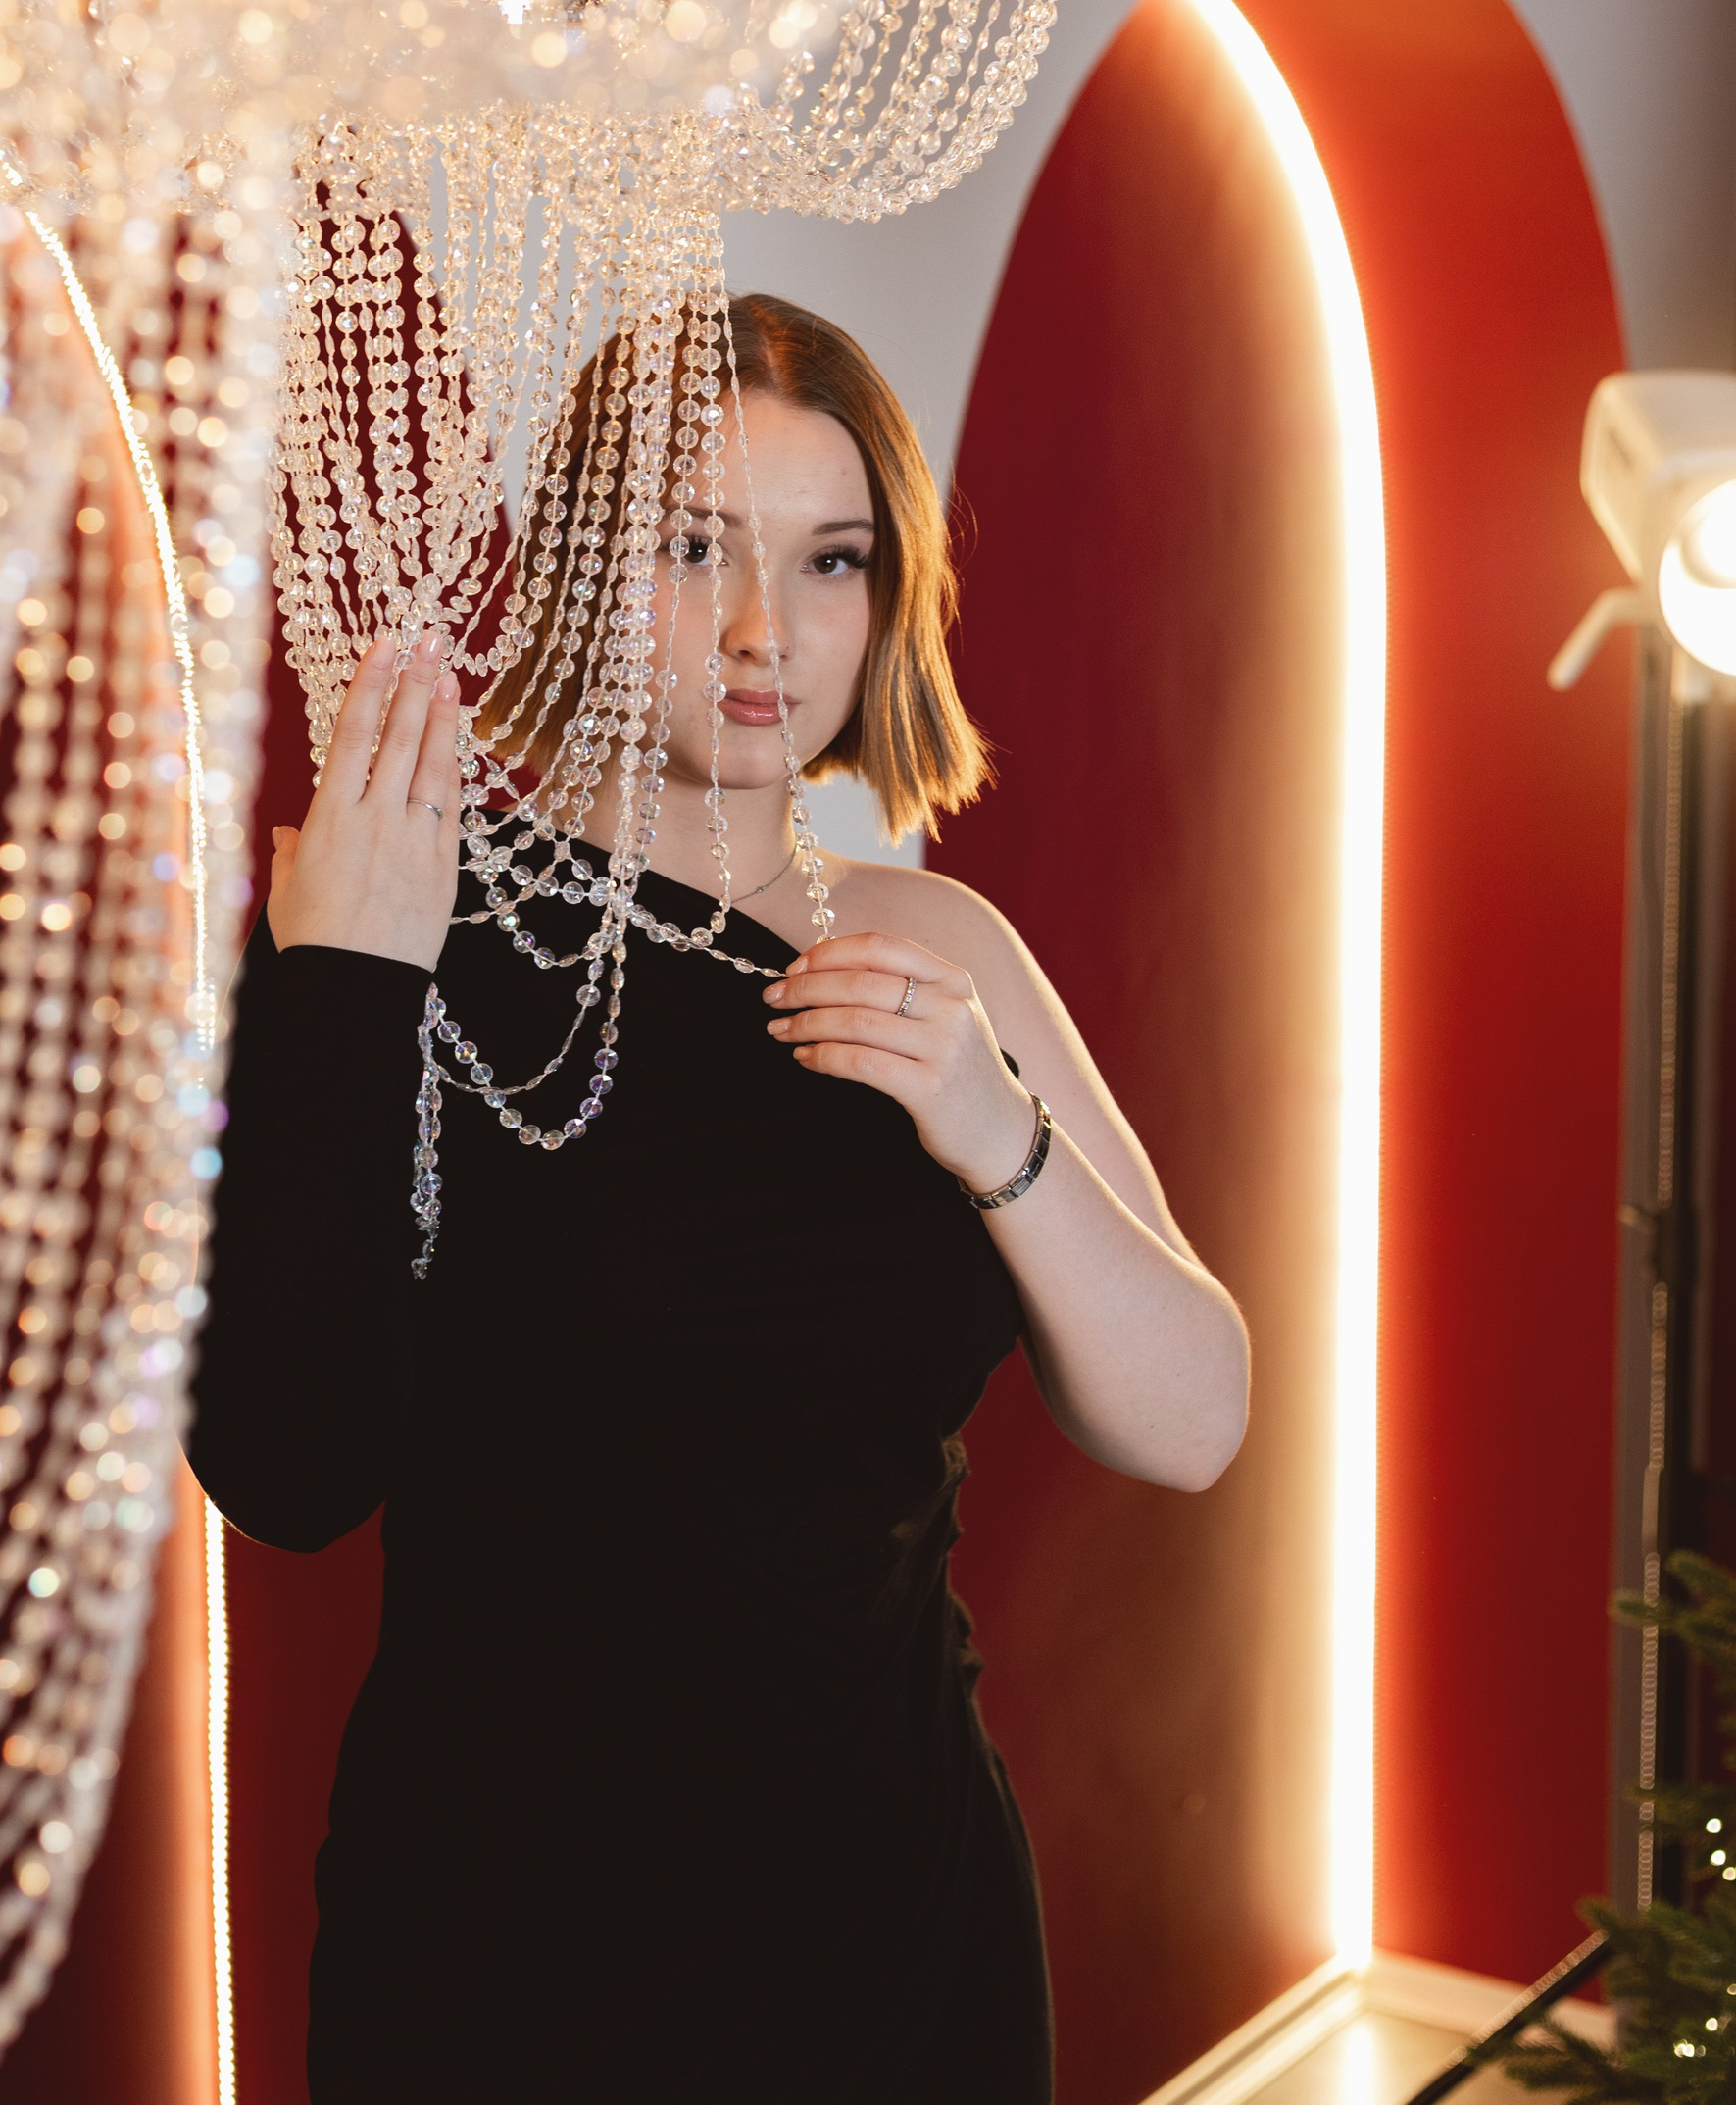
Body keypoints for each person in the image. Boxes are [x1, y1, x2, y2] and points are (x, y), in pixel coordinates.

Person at [188, 292, 1250, 2104]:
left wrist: (987, 1122)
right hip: (512, 1948)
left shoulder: (945, 947)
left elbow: (1195, 1420)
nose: (770, 628)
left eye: (831, 559)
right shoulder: (416, 909)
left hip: (898, 1931)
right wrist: (343, 986)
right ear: (587, 573)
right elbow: (286, 1475)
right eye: (696, 549)